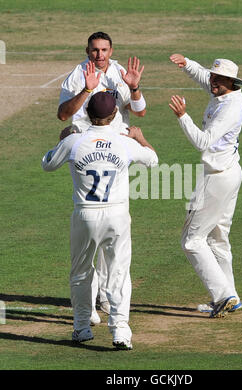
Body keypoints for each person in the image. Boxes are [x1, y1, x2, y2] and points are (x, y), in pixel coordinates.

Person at [42, 92, 158, 349]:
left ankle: (82, 328)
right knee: (118, 272)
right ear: (114, 115)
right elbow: (153, 160)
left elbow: (47, 164)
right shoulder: (123, 142)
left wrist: (60, 142)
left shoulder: (74, 140)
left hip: (85, 214)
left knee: (81, 272)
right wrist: (140, 138)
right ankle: (120, 331)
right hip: (116, 215)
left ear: (87, 114)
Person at [57, 31, 147, 321]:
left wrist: (134, 89)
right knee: (94, 231)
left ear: (111, 50)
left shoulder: (121, 72)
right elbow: (62, 115)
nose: (99, 55)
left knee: (111, 230)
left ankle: (108, 301)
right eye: (94, 50)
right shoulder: (76, 75)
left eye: (104, 50)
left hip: (116, 151)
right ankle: (93, 307)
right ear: (87, 50)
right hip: (85, 151)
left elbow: (141, 112)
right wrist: (85, 90)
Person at [169, 54, 242, 318]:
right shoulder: (224, 92)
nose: (212, 81)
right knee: (217, 238)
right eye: (212, 76)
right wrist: (187, 63)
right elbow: (204, 78)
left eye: (217, 78)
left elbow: (204, 142)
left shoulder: (229, 109)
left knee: (191, 240)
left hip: (216, 178)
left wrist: (183, 117)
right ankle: (230, 297)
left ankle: (224, 296)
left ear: (231, 82)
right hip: (229, 172)